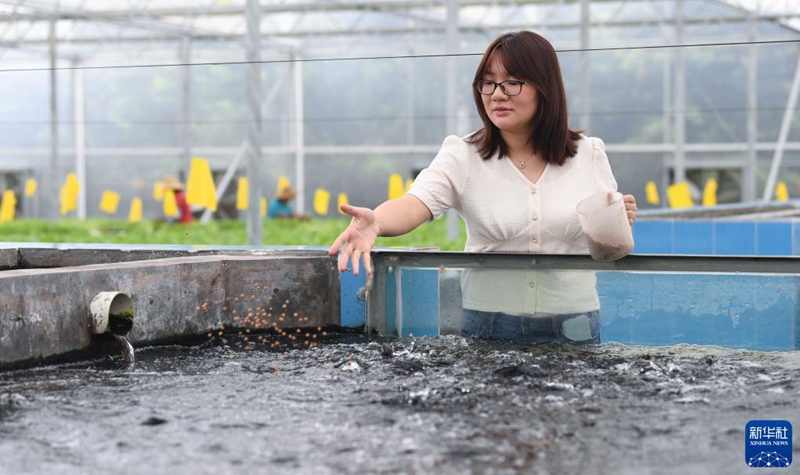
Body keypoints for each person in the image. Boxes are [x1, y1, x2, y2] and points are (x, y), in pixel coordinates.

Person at [328, 30, 637, 344]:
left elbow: (607, 245)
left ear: (546, 88)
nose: (497, 94)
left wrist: (618, 222)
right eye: (488, 83)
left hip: (574, 324)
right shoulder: (463, 155)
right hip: (489, 325)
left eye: (512, 82)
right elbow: (413, 204)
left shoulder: (589, 155)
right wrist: (377, 222)